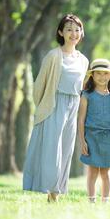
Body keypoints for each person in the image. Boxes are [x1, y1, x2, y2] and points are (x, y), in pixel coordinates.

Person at [23, 14, 89, 202]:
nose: (73, 33)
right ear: (61, 32)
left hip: (73, 105)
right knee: (53, 149)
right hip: (54, 104)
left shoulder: (83, 60)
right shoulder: (53, 56)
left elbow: (82, 87)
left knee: (67, 148)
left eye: (77, 29)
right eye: (68, 29)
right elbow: (39, 85)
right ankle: (51, 193)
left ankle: (57, 191)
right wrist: (44, 105)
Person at [78, 59, 110, 203]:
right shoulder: (86, 95)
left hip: (109, 136)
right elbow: (81, 119)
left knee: (106, 172)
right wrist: (82, 140)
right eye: (98, 74)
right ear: (92, 76)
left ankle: (105, 200)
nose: (102, 77)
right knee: (93, 170)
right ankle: (91, 200)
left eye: (106, 74)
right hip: (91, 136)